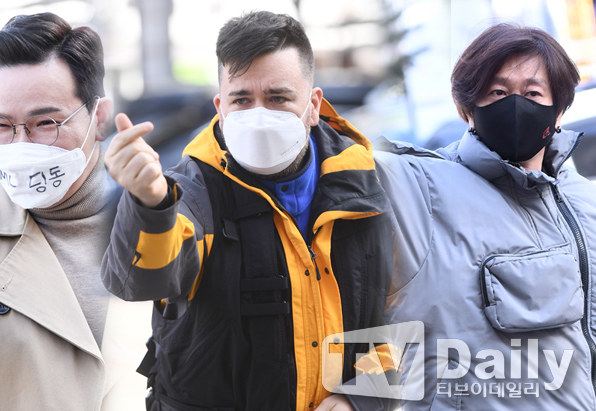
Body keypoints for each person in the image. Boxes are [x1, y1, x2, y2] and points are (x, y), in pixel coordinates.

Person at [102, 10, 397, 411]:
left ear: (313, 105)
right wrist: (151, 204)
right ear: (221, 108)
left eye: (277, 98)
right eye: (242, 99)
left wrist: (362, 397)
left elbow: (404, 315)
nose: (259, 117)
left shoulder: (368, 185)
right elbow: (142, 281)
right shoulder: (191, 193)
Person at [374, 23, 596, 409]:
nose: (515, 106)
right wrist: (355, 389)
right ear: (467, 109)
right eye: (498, 92)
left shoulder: (586, 198)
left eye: (532, 93)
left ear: (558, 110)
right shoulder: (419, 186)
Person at [0, 12, 147, 410]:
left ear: (99, 119)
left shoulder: (161, 230)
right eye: (1, 126)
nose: (21, 145)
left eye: (45, 123)